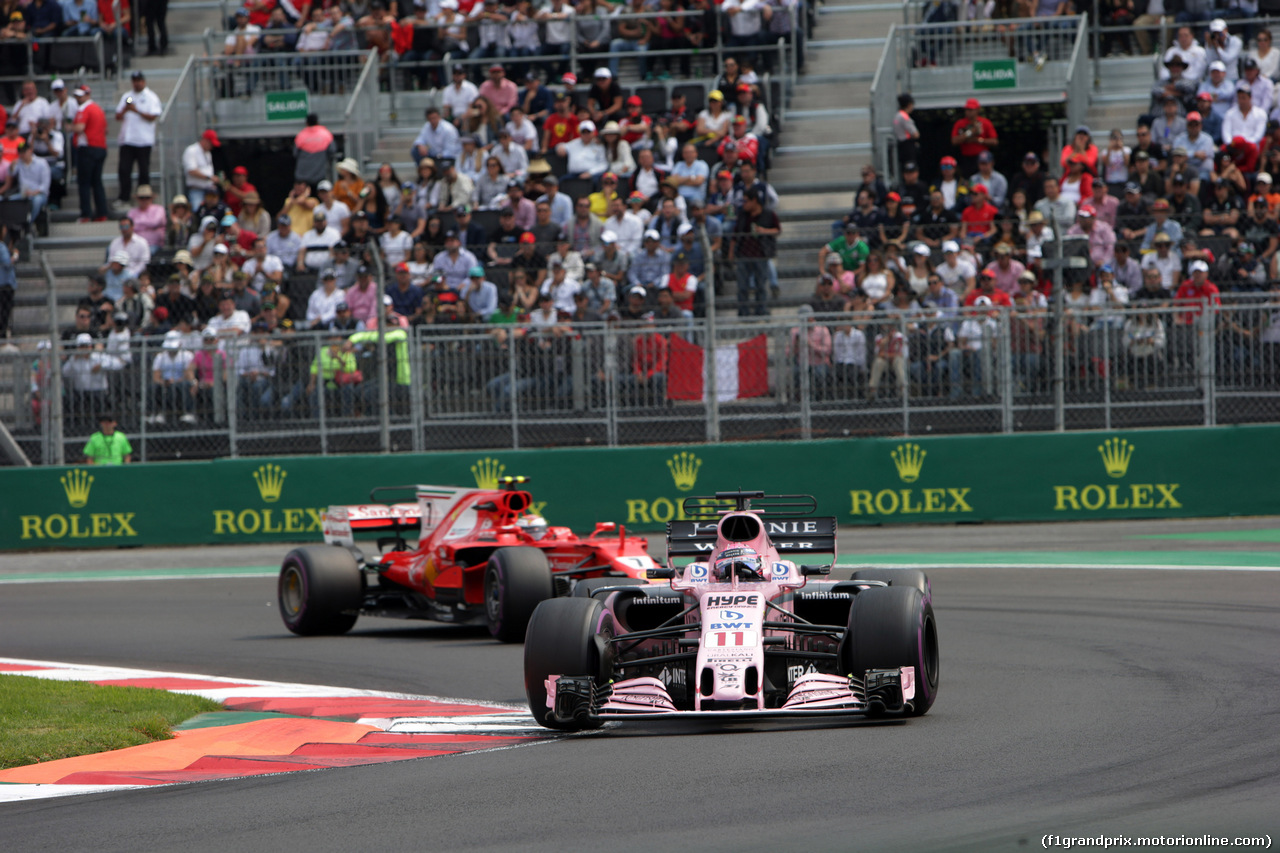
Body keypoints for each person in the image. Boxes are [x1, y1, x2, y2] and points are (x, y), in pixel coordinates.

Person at [112, 70, 161, 211]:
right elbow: (118, 115)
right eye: (134, 81)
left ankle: (144, 198)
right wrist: (126, 110)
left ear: (144, 82)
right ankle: (124, 197)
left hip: (143, 140)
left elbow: (153, 116)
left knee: (143, 171)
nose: (137, 83)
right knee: (124, 170)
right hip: (127, 139)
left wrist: (136, 110)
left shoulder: (151, 97)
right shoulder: (127, 96)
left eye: (139, 80)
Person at [69, 86, 108, 222]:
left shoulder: (84, 109)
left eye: (80, 96)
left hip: (87, 148)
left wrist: (68, 127)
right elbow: (105, 130)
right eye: (76, 96)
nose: (78, 99)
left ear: (87, 95)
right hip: (100, 148)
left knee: (84, 183)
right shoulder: (98, 109)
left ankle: (86, 214)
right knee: (97, 182)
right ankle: (102, 213)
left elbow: (80, 127)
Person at [182, 128, 221, 210]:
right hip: (197, 190)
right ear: (205, 140)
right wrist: (209, 178)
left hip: (209, 191)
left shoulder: (208, 153)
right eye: (211, 144)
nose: (212, 147)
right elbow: (191, 171)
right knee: (198, 211)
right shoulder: (191, 150)